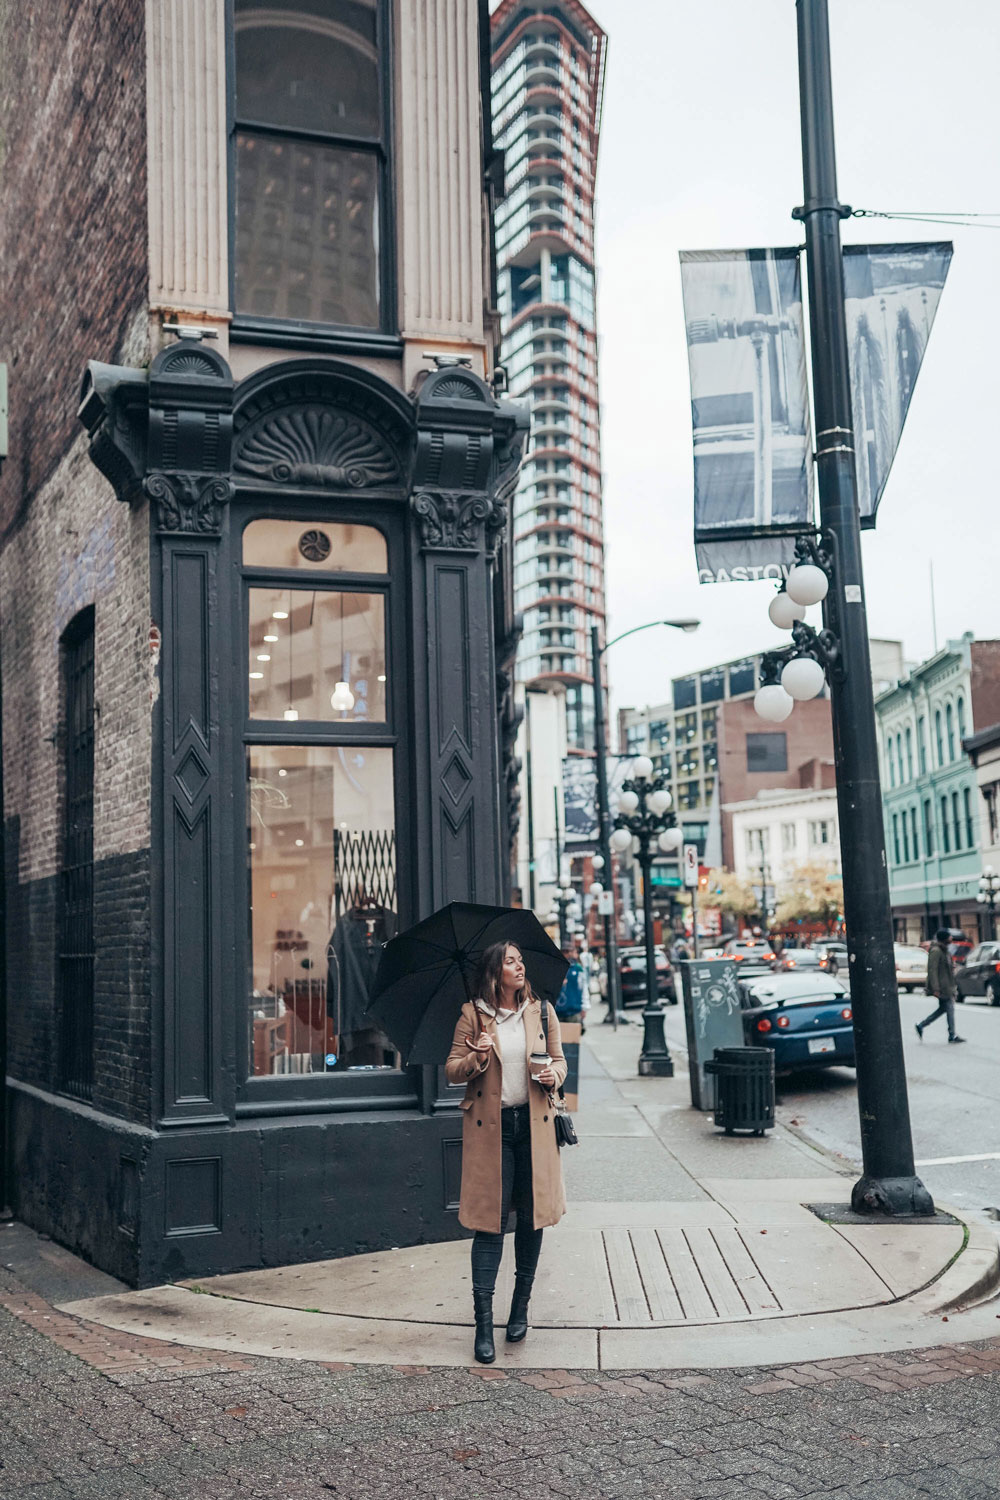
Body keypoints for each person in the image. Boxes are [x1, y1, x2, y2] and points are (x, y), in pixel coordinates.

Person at [445, 941, 568, 1363]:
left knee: (532, 1221)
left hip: (533, 1127)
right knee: (490, 1225)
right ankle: (483, 1325)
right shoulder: (472, 1015)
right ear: (495, 972)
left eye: (521, 959)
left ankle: (520, 1309)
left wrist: (554, 1074)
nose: (520, 966)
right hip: (491, 1130)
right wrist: (475, 1058)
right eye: (511, 961)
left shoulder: (543, 1011)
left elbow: (560, 1060)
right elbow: (452, 1069)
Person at [916, 928, 965, 1044]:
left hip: (947, 985)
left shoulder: (944, 950)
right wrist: (936, 988)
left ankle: (921, 1025)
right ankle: (952, 1034)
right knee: (950, 1008)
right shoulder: (936, 951)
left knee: (944, 1009)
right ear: (944, 938)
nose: (951, 939)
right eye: (949, 937)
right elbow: (932, 970)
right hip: (942, 987)